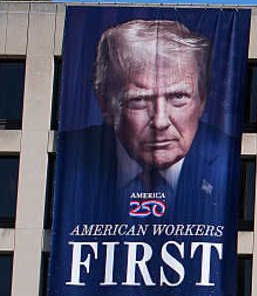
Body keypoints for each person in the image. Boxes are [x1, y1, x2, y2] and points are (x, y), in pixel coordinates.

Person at [55, 19, 237, 222]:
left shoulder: (231, 160)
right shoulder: (69, 160)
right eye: (139, 100)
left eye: (178, 97)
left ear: (202, 100)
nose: (160, 122)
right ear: (104, 103)